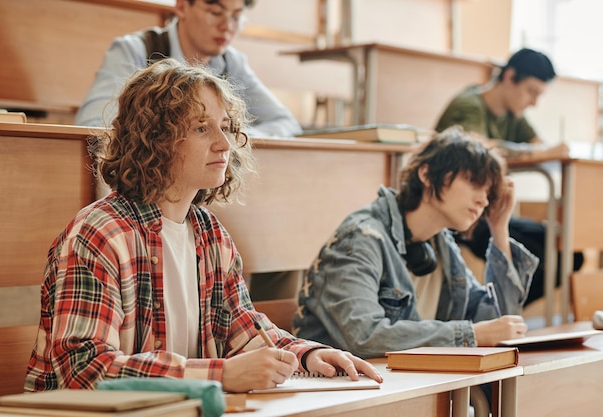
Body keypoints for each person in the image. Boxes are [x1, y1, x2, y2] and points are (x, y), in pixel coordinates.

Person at [25, 58, 382, 393]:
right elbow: (85, 369)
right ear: (156, 139)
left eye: (225, 127)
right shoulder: (100, 233)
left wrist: (306, 355)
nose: (224, 144)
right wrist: (220, 375)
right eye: (201, 127)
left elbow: (243, 328)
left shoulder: (210, 234)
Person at [294, 126, 538, 360]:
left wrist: (499, 228)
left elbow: (498, 321)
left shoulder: (441, 242)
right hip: (345, 390)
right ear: (427, 174)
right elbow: (365, 337)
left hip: (407, 386)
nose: (483, 199)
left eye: (488, 191)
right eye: (473, 182)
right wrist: (471, 335)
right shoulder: (359, 240)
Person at [434, 47, 582, 306]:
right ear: (510, 76)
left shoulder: (514, 116)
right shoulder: (469, 105)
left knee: (569, 249)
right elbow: (479, 149)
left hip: (490, 211)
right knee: (538, 253)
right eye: (531, 91)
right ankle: (499, 310)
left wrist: (551, 149)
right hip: (461, 216)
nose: (534, 102)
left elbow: (540, 146)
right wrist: (540, 150)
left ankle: (506, 309)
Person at [75, 0, 302, 139]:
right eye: (215, 12)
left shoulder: (232, 62)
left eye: (236, 17)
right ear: (182, 6)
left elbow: (285, 123)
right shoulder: (135, 50)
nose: (227, 26)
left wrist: (235, 138)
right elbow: (93, 126)